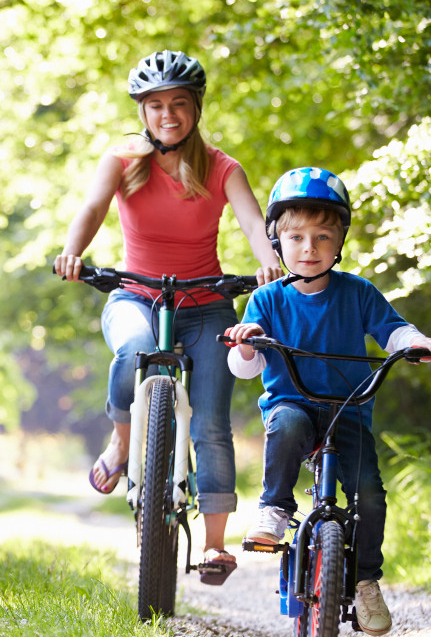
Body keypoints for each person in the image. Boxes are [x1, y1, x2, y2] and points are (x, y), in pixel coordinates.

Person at [54, 50, 282, 585]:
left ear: (196, 108)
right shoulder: (124, 160)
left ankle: (215, 545)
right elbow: (90, 208)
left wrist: (268, 255)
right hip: (136, 296)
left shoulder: (223, 167)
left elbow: (252, 221)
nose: (168, 115)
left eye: (179, 103)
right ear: (143, 112)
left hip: (206, 308)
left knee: (210, 424)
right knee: (132, 349)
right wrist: (72, 250)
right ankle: (121, 438)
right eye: (155, 105)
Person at [225, 166, 431, 634]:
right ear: (277, 241)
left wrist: (416, 342)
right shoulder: (266, 300)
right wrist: (248, 342)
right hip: (294, 403)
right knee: (285, 427)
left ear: (340, 239)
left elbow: (393, 330)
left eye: (323, 237)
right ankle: (275, 507)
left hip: (347, 409)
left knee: (369, 493)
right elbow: (245, 367)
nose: (310, 248)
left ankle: (366, 581)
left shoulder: (358, 292)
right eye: (298, 237)